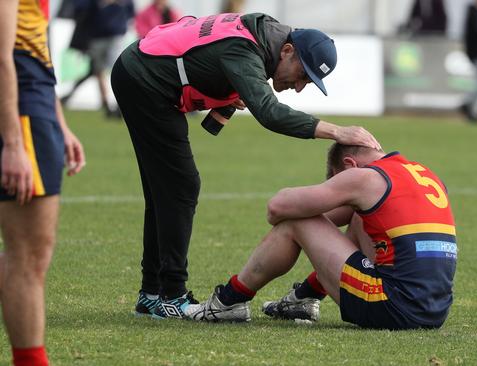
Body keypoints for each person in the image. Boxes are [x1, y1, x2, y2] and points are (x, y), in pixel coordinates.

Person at [110, 13, 381, 320]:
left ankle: (151, 295)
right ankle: (171, 294)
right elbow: (268, 112)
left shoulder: (262, 40)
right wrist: (336, 131)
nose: (300, 87)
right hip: (143, 80)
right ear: (287, 51)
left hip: (139, 71)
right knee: (180, 187)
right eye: (303, 74)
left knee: (166, 191)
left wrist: (223, 91)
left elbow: (207, 65)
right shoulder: (245, 48)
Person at [189, 143, 457, 330]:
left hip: (392, 305)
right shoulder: (422, 173)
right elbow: (342, 219)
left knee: (295, 220)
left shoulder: (364, 178)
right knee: (360, 216)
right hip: (435, 310)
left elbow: (277, 208)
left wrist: (296, 227)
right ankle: (304, 298)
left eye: (335, 180)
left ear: (350, 166)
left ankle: (228, 302)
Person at [1, 0, 86, 364]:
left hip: (35, 103)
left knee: (28, 254)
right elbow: (4, 57)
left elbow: (38, 53)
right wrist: (14, 143)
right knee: (28, 255)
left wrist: (60, 125)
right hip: (20, 112)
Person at [61, 0, 134, 119]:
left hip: (116, 35)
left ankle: (117, 105)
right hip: (97, 37)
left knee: (117, 69)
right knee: (98, 71)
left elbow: (130, 12)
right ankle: (108, 105)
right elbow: (81, 9)